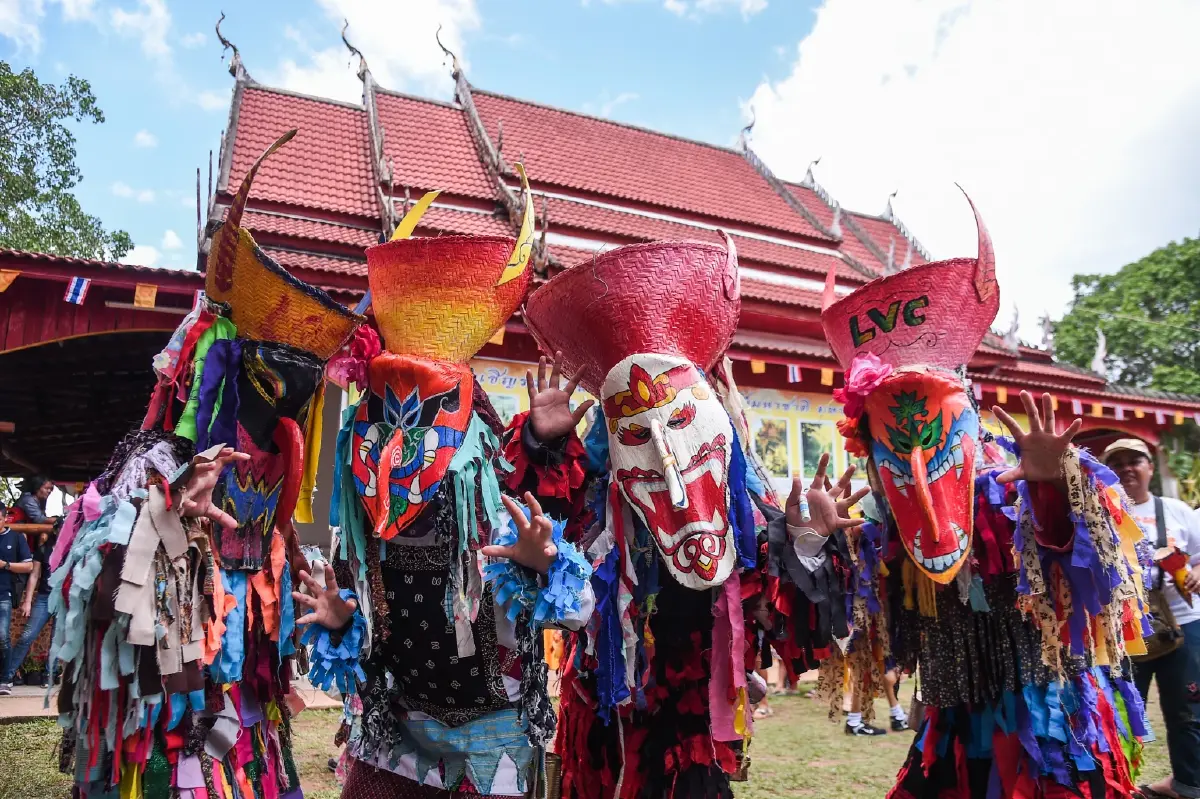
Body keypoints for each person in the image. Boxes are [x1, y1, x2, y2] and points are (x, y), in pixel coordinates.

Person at [47, 129, 365, 798]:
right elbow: (89, 592)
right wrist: (158, 526)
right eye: (264, 385)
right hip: (165, 714)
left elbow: (293, 599)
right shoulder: (156, 458)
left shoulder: (284, 483)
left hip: (248, 719)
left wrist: (330, 610)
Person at [820, 194, 1151, 798]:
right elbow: (863, 614)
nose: (918, 470)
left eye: (936, 442)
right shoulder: (881, 514)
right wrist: (816, 542)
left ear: (968, 416)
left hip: (1045, 711)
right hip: (956, 715)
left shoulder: (1016, 478)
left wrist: (1053, 491)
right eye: (891, 450)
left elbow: (1082, 574)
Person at [519, 237, 868, 798]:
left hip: (695, 735)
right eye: (639, 441)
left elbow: (795, 634)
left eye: (681, 431)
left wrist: (805, 542)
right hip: (604, 725)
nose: (673, 477)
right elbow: (558, 561)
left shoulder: (744, 521)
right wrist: (544, 447)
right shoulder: (597, 515)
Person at [294, 170, 596, 799]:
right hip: (395, 741)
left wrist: (543, 569)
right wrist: (345, 619)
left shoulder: (501, 526)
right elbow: (366, 628)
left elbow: (577, 609)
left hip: (491, 750)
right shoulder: (365, 524)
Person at [1101, 438, 1200, 799]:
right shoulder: (1099, 512)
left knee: (1188, 710)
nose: (1127, 468)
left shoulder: (1176, 510)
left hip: (1184, 622)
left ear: (1150, 467)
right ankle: (1118, 784)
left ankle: (1188, 785)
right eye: (1118, 462)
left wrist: (1197, 573)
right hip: (1122, 627)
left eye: (1135, 461)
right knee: (1123, 712)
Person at [0, 524, 56, 688]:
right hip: (44, 596)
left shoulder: (75, 549)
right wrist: (28, 601)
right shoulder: (44, 550)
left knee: (56, 641)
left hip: (65, 598)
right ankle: (8, 674)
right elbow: (34, 575)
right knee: (26, 636)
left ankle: (49, 675)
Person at [0, 501, 34, 695]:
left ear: (5, 518)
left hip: (4, 594)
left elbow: (28, 566)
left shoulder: (16, 538)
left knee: (3, 637)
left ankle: (6, 679)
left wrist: (5, 565)